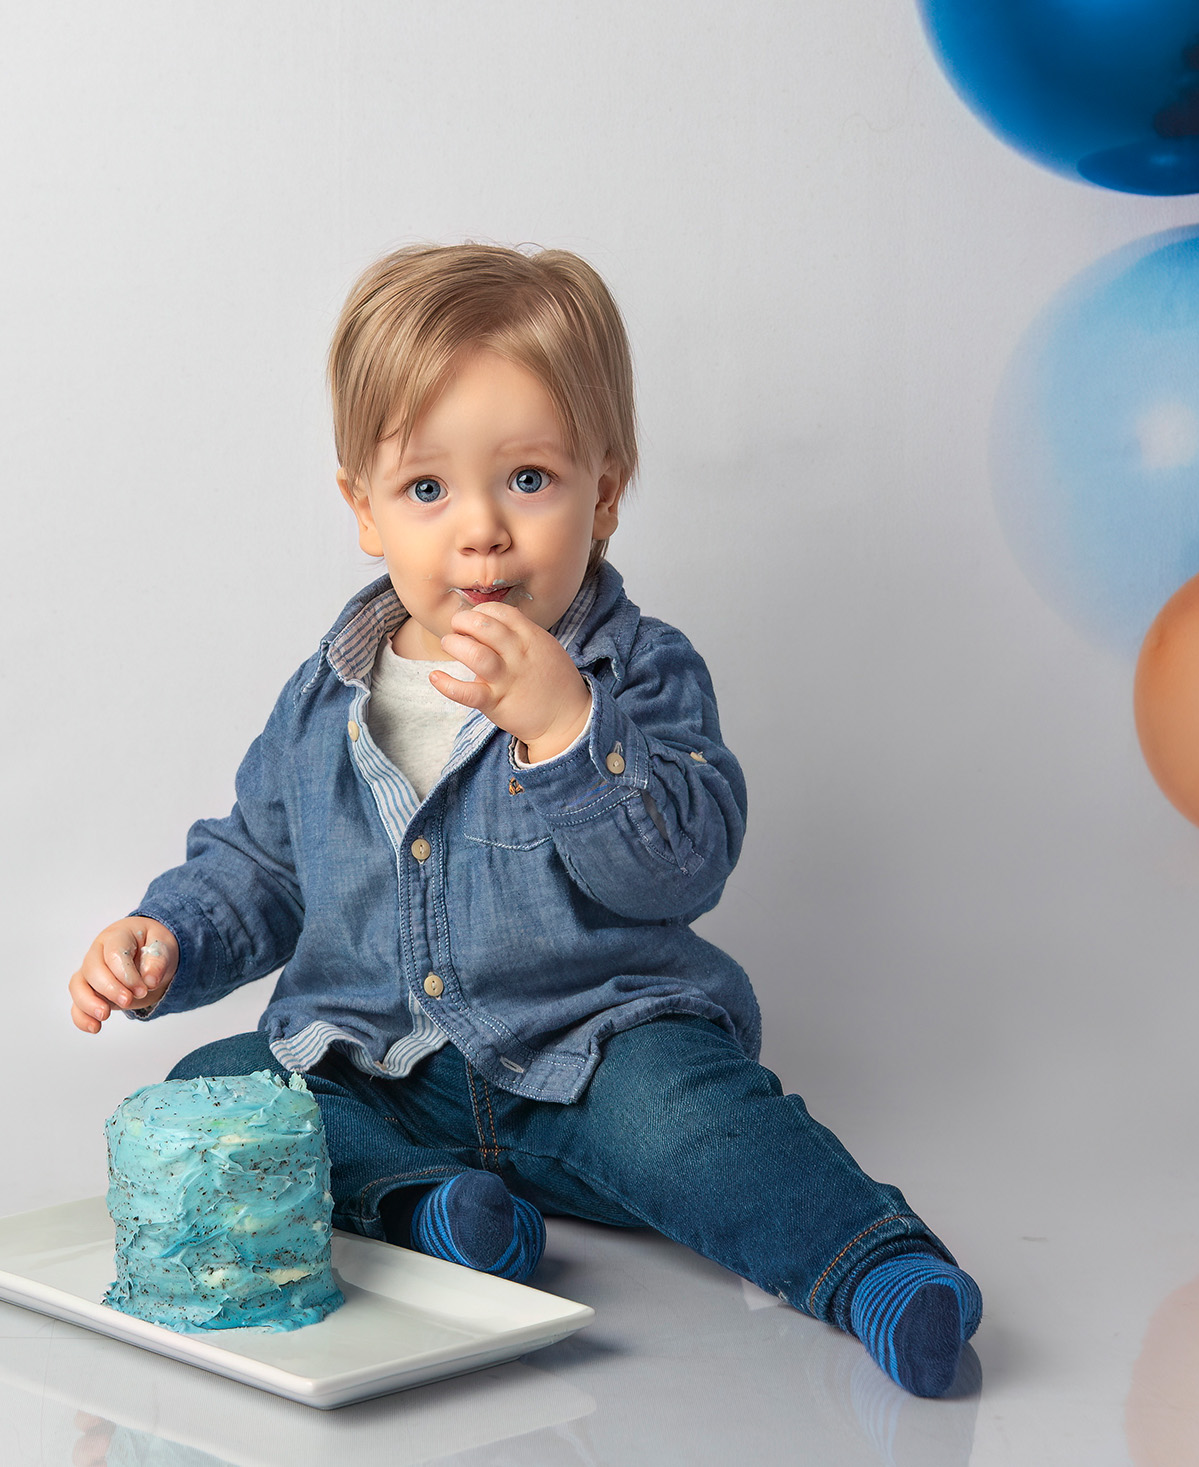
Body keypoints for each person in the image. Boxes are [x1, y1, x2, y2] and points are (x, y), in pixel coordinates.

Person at [65, 243, 981, 1396]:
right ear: (363, 509)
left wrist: (561, 727)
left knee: (695, 1129)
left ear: (604, 490)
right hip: (379, 1071)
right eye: (427, 489)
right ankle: (439, 1215)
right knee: (212, 1085)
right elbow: (258, 863)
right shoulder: (323, 698)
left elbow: (680, 870)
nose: (482, 530)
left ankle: (875, 1270)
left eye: (530, 480)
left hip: (597, 1061)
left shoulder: (635, 673)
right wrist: (171, 938)